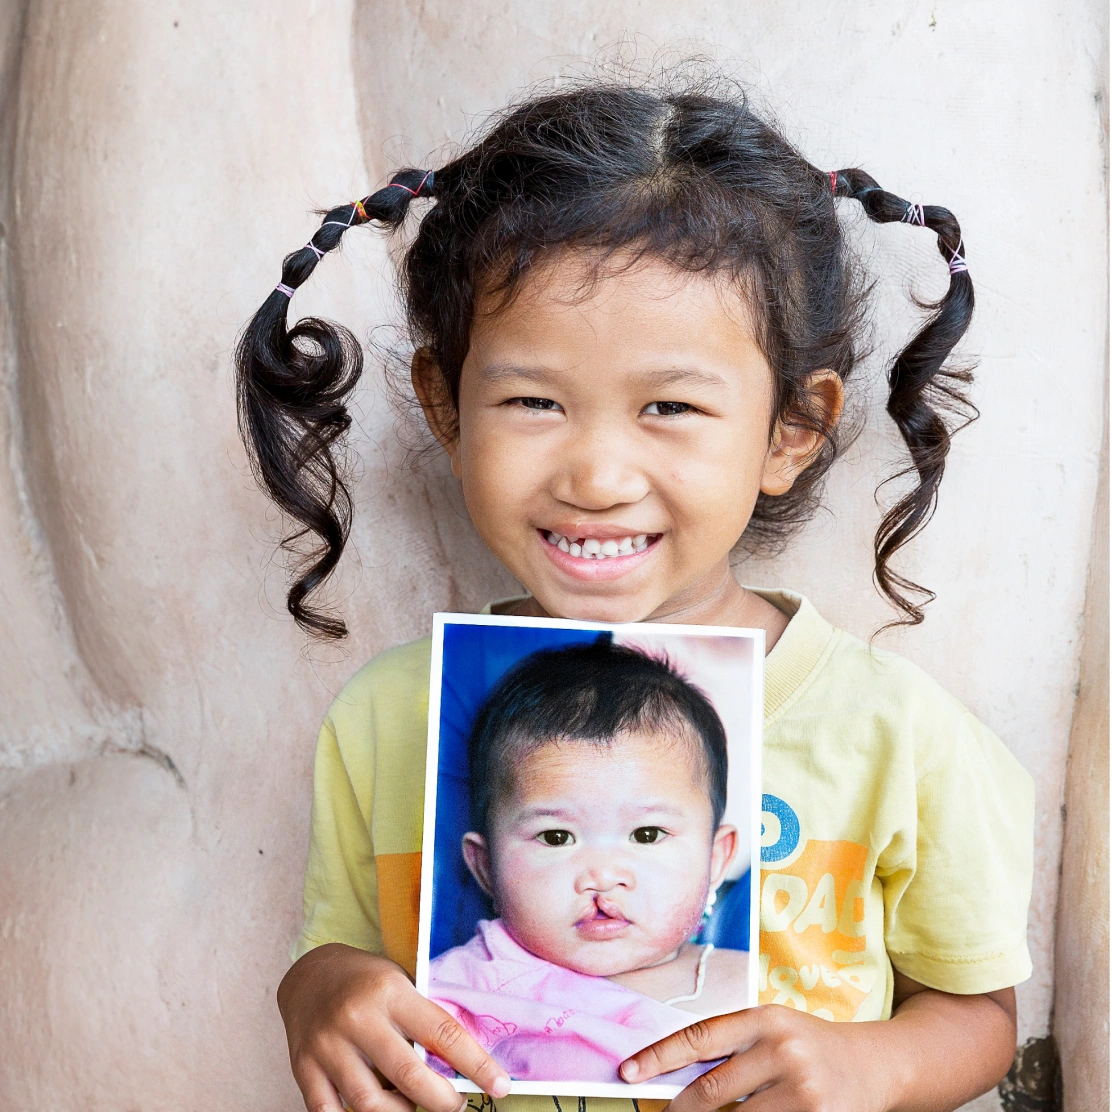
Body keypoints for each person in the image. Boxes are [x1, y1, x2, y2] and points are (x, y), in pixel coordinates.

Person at [237, 77, 1034, 1112]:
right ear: (447, 406)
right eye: (534, 400)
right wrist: (317, 992)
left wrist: (871, 1066)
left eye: (669, 406)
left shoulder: (897, 735)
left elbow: (978, 1014)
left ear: (790, 429)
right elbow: (336, 948)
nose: (597, 475)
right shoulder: (388, 716)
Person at [427, 640, 749, 1085]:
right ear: (485, 867)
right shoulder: (465, 989)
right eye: (556, 837)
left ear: (715, 859)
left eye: (647, 834)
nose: (603, 876)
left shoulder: (749, 986)